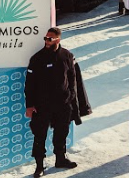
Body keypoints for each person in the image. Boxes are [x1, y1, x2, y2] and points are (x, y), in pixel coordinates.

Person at [25, 27, 80, 177]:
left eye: (50, 39)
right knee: (39, 135)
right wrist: (29, 105)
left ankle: (60, 159)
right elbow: (29, 84)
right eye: (45, 38)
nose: (46, 41)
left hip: (63, 104)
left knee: (62, 133)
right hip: (42, 105)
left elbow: (72, 78)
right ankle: (39, 166)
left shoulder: (67, 55)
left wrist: (71, 97)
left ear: (58, 39)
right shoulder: (37, 59)